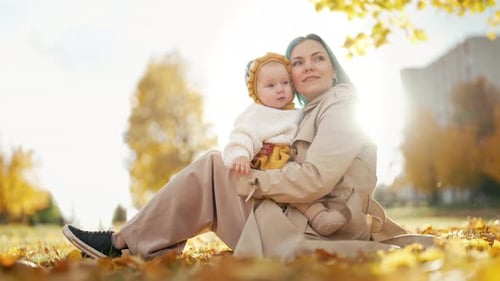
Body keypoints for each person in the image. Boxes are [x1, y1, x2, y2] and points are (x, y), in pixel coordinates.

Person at [63, 33, 435, 261]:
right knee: (216, 164)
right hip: (295, 219)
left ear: (334, 69)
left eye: (318, 58)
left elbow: (314, 180)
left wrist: (251, 179)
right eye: (298, 63)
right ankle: (143, 242)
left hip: (310, 230)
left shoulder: (342, 108)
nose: (308, 67)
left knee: (215, 166)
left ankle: (122, 241)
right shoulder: (310, 114)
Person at [223, 52, 351, 236]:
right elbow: (244, 135)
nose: (280, 89)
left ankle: (320, 218)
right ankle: (317, 217)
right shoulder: (256, 113)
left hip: (290, 166)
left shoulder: (298, 113)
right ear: (256, 92)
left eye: (285, 83)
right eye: (271, 85)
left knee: (300, 193)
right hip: (267, 164)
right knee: (293, 191)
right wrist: (240, 155)